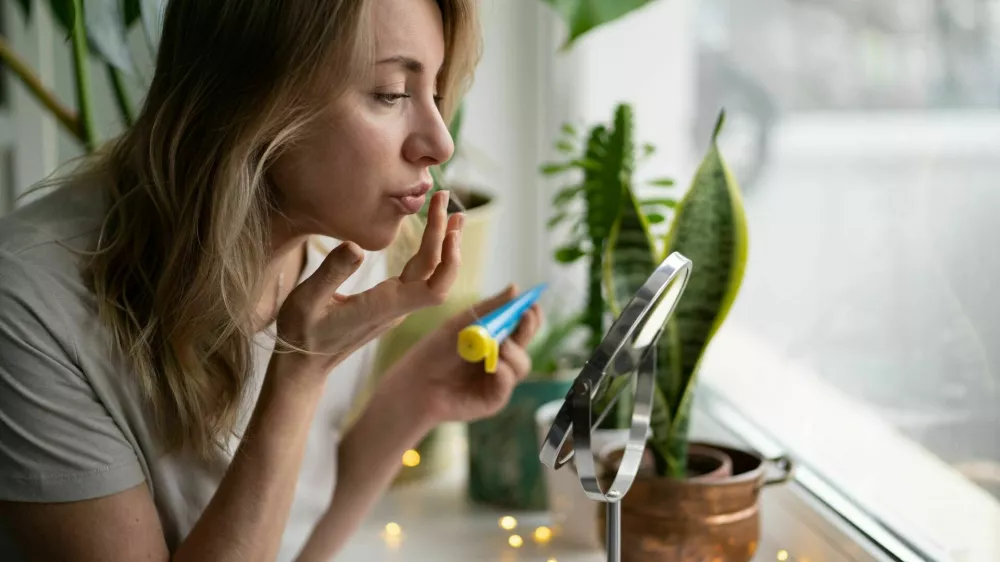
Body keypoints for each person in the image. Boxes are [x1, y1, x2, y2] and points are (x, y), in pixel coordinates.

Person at [0, 0, 541, 560]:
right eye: (391, 93)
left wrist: (417, 395)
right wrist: (300, 373)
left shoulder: (346, 240)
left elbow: (293, 538)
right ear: (255, 92)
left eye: (435, 90)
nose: (441, 143)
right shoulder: (31, 308)